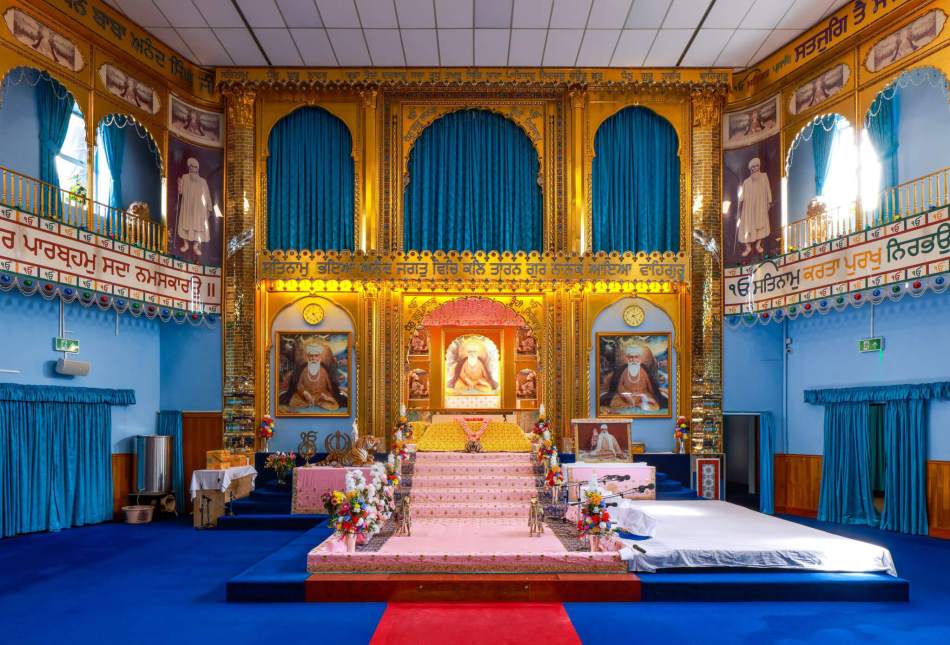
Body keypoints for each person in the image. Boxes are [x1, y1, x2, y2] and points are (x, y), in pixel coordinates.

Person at [599, 343, 667, 411]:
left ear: (639, 359)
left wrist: (650, 397)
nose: (633, 359)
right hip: (626, 397)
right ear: (628, 359)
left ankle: (638, 404)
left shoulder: (644, 371)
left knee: (654, 404)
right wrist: (627, 396)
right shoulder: (624, 371)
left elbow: (651, 388)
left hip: (642, 397)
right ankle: (636, 405)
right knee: (614, 402)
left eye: (636, 357)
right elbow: (620, 387)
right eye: (631, 357)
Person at [286, 342, 346, 410]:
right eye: (311, 356)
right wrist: (304, 393)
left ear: (319, 358)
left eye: (316, 356)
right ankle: (309, 402)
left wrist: (328, 397)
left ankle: (319, 402)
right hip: (306, 397)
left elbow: (330, 386)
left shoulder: (323, 371)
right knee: (293, 402)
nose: (313, 358)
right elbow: (300, 385)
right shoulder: (305, 370)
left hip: (321, 397)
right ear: (308, 358)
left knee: (332, 404)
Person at [176, 157, 213, 256]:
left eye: (195, 167)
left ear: (198, 168)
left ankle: (196, 246)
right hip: (187, 207)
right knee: (185, 225)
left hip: (199, 209)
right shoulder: (185, 177)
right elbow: (180, 192)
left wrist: (209, 207)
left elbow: (207, 195)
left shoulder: (202, 181)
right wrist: (179, 184)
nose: (194, 169)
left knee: (198, 227)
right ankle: (186, 244)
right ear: (189, 168)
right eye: (192, 167)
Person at [736, 157, 772, 257]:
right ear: (750, 169)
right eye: (753, 167)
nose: (755, 168)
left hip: (761, 206)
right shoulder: (746, 182)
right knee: (747, 227)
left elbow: (768, 189)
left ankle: (758, 245)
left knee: (761, 226)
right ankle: (748, 247)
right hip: (750, 208)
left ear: (759, 166)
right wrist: (739, 196)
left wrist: (769, 201)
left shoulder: (764, 176)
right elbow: (741, 197)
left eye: (757, 166)